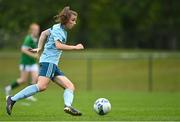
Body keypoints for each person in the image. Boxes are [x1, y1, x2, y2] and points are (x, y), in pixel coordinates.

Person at [6, 6, 84, 116]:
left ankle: (68, 106)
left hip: (52, 64)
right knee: (41, 86)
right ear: (66, 20)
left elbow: (43, 33)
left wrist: (39, 48)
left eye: (75, 20)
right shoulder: (59, 30)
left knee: (70, 86)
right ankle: (12, 99)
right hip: (49, 62)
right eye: (73, 20)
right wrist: (75, 47)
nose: (74, 23)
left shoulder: (57, 28)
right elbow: (58, 45)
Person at [5, 23, 40, 102]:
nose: (36, 31)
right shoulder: (28, 38)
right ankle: (8, 88)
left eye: (37, 30)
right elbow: (23, 49)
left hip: (33, 63)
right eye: (35, 30)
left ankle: (29, 95)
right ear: (31, 30)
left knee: (35, 79)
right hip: (25, 63)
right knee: (23, 80)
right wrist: (33, 55)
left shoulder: (36, 39)